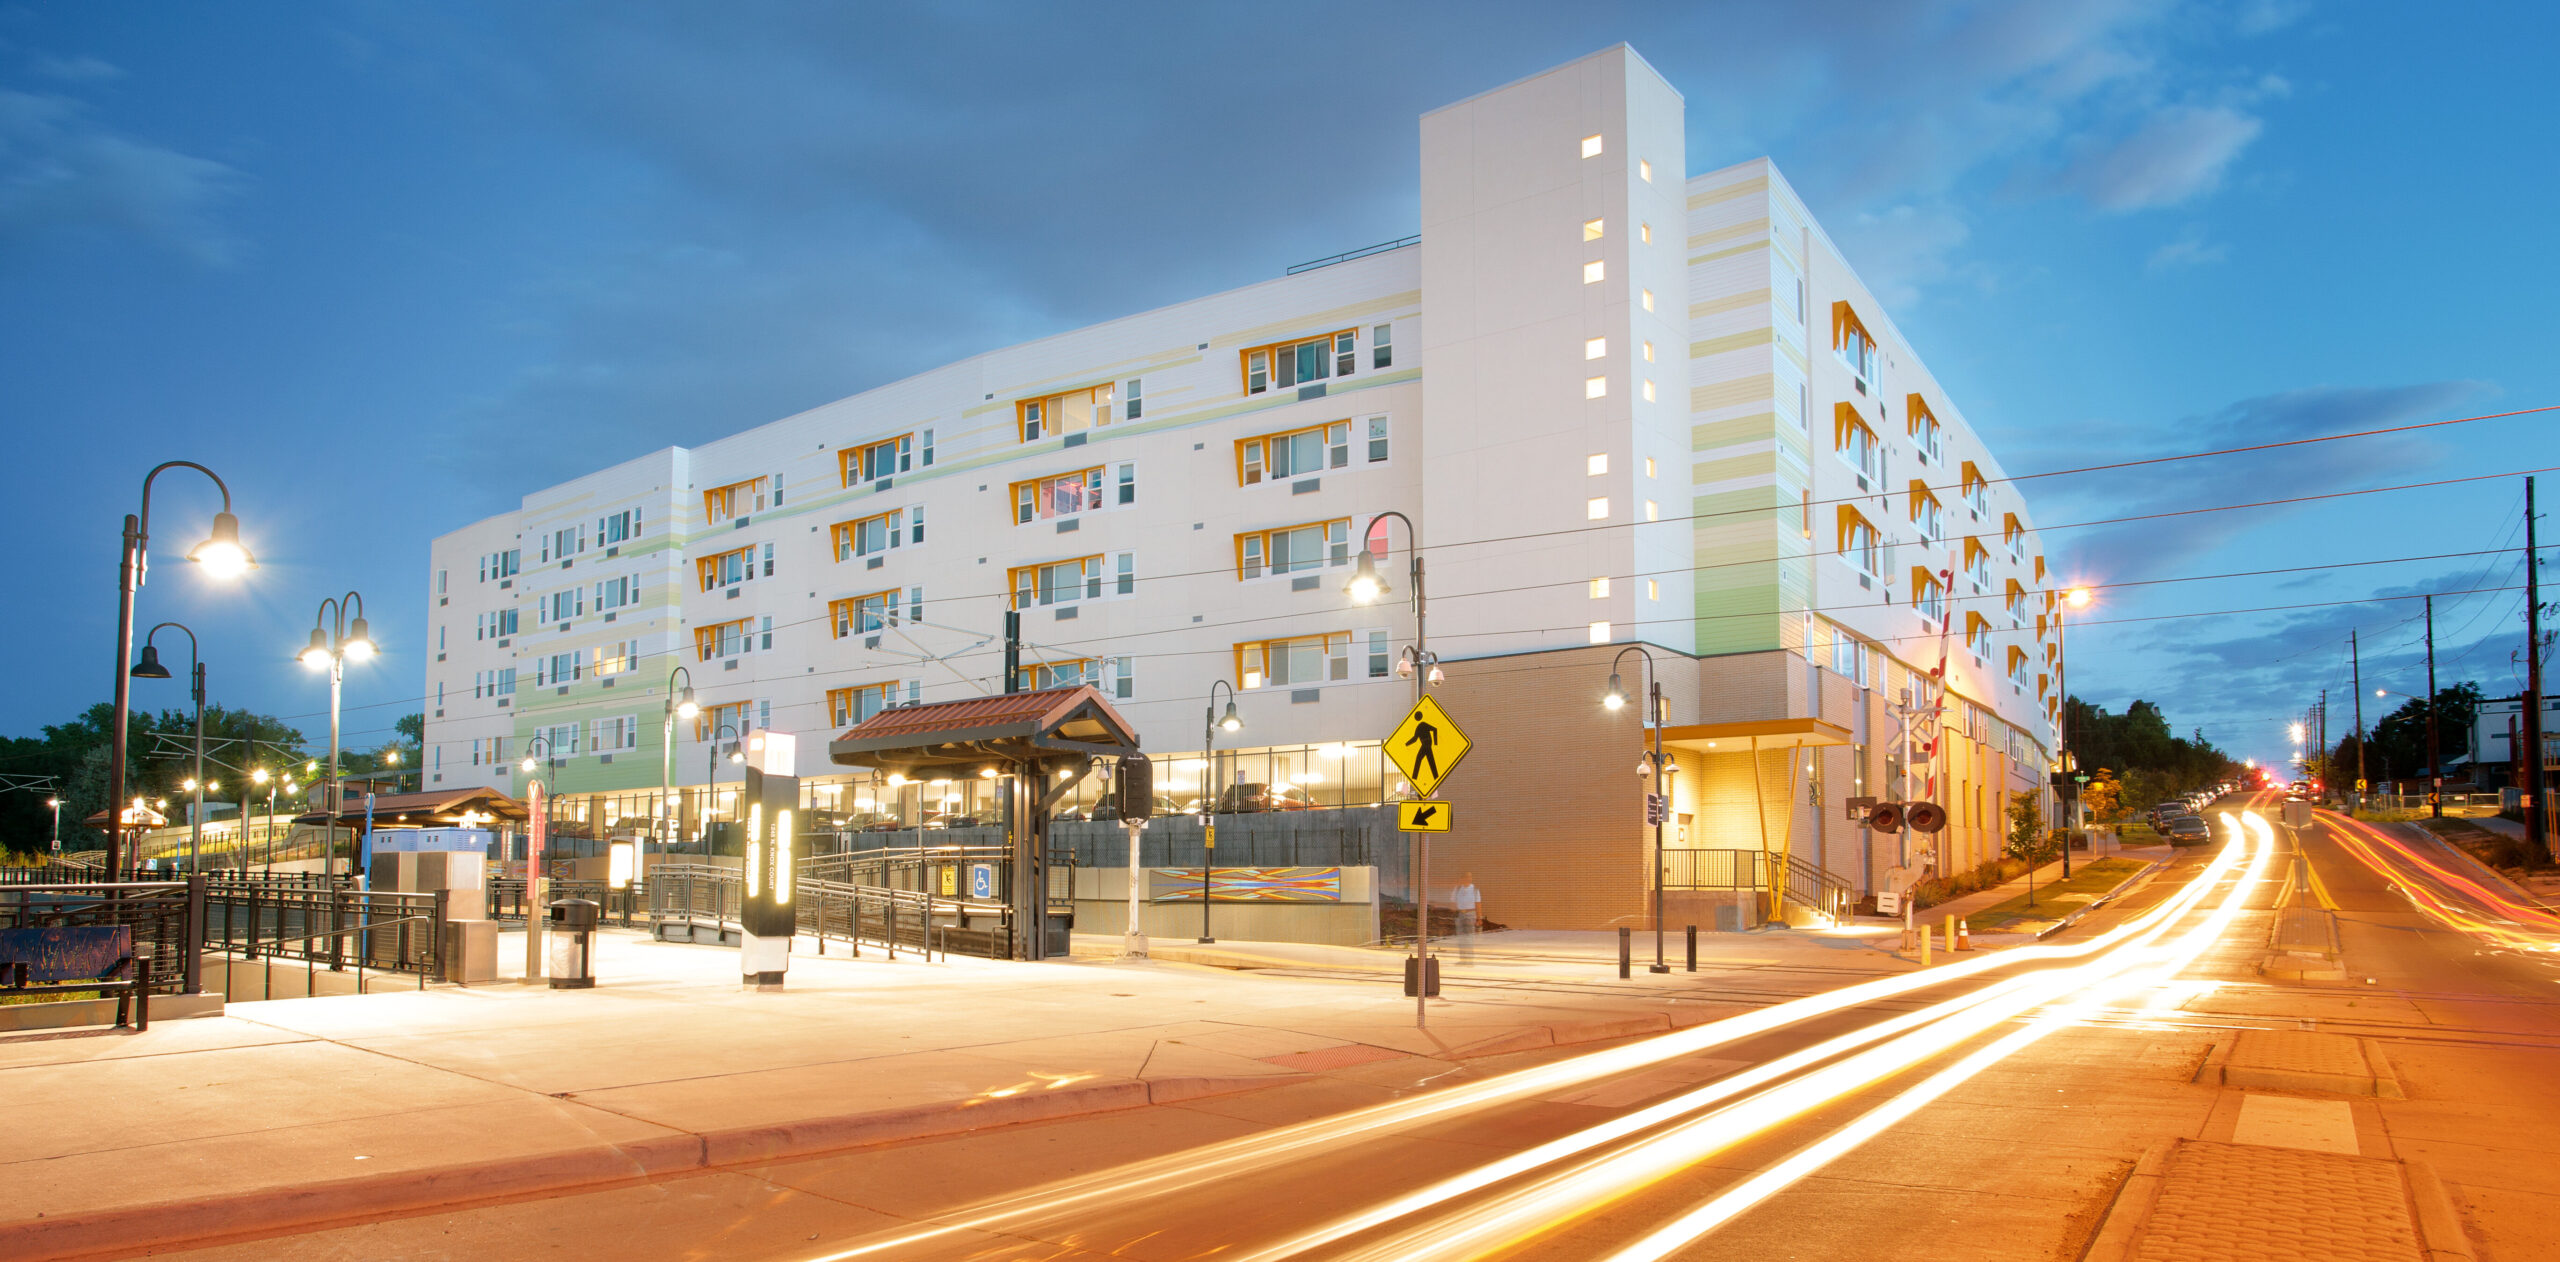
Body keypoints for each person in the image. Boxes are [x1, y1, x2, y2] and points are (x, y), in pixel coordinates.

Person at [1450, 873, 1481, 963]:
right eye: (1466, 877)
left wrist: (1479, 918)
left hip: (1470, 914)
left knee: (1469, 937)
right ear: (1462, 878)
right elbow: (1453, 902)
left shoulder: (1475, 890)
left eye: (1470, 877)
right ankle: (1463, 959)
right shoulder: (1457, 889)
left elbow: (1478, 904)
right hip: (1460, 914)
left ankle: (1469, 959)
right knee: (1461, 937)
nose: (1469, 878)